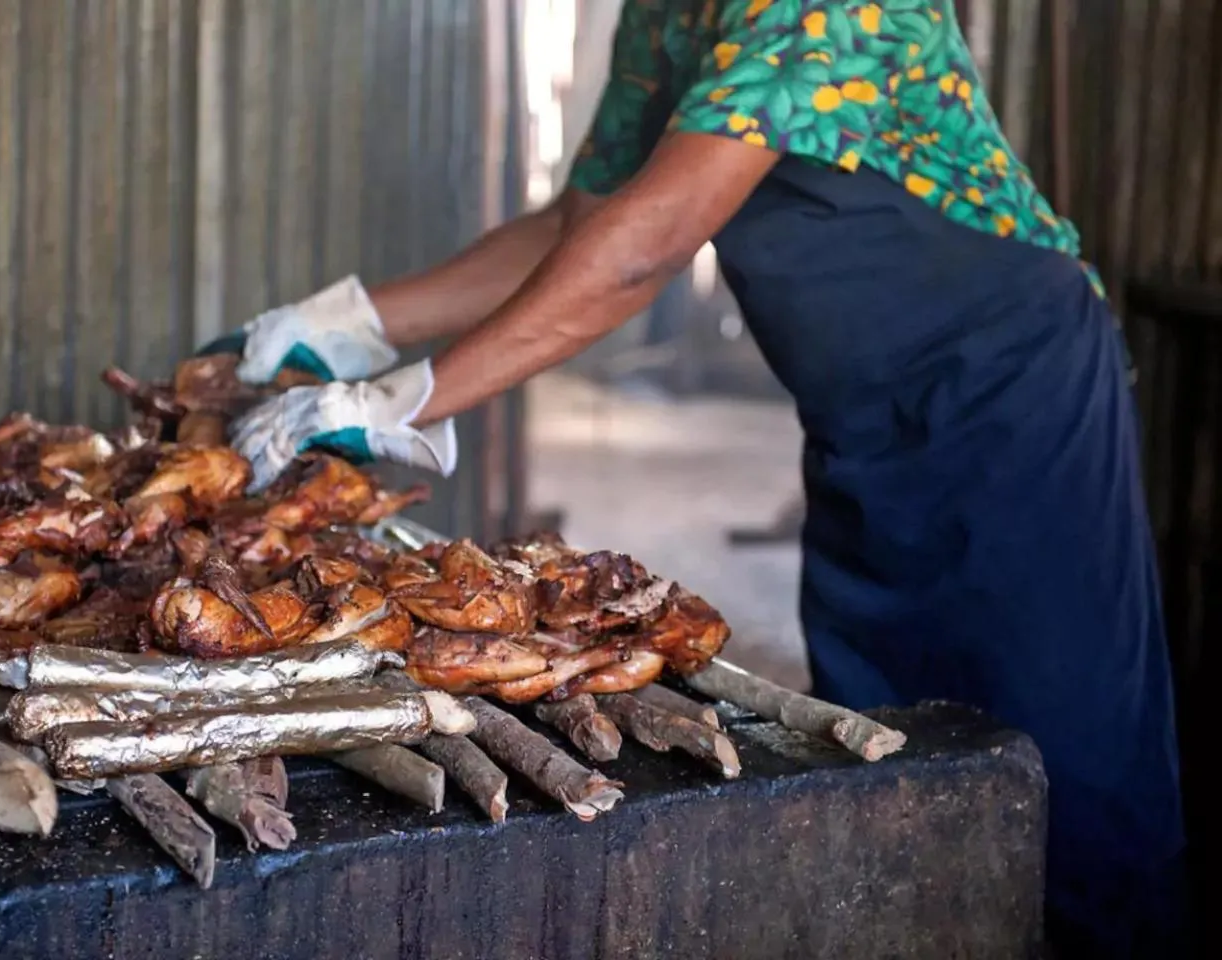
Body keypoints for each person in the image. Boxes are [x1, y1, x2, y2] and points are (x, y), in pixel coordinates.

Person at [204, 2, 1189, 954]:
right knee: (895, 740)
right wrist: (346, 325)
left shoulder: (828, 8)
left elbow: (651, 247)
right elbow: (584, 227)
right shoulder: (670, 12)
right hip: (862, 421)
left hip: (1016, 395)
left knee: (1066, 748)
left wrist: (407, 403)